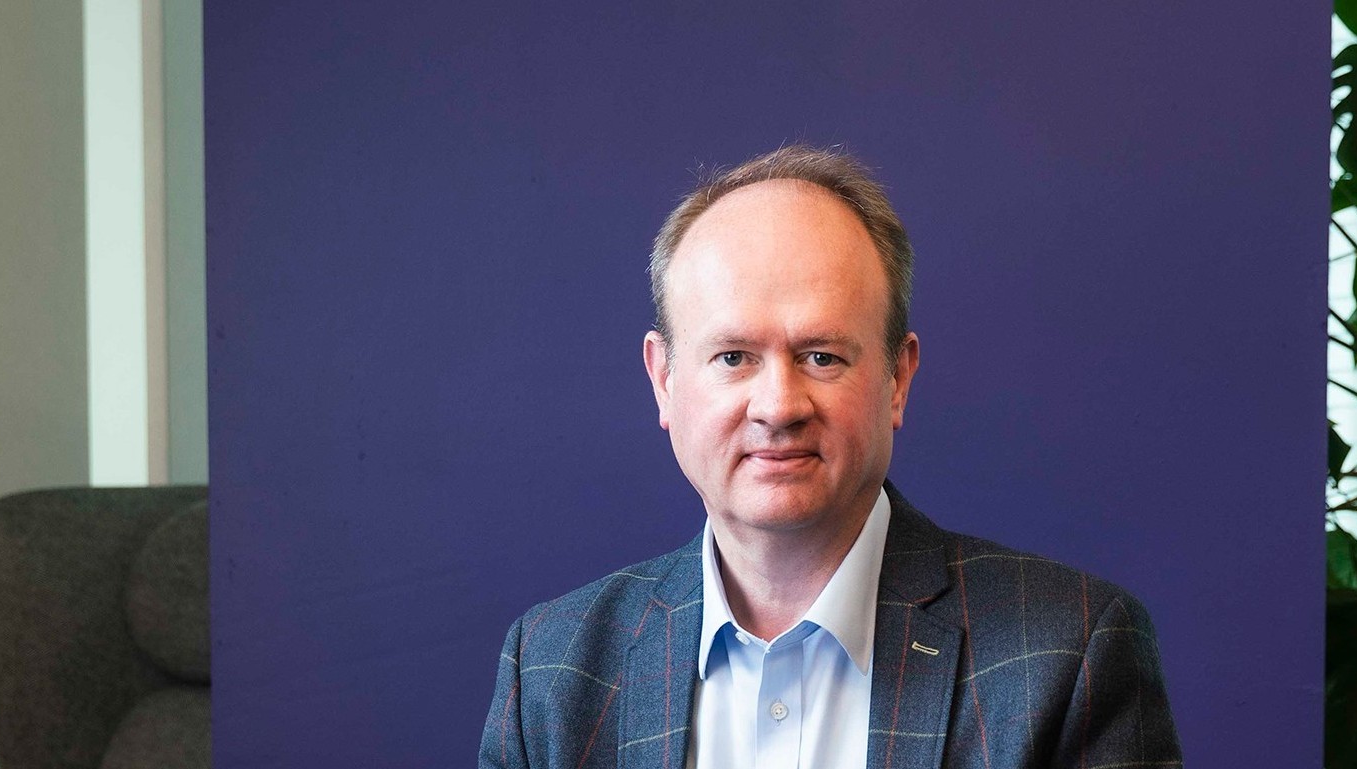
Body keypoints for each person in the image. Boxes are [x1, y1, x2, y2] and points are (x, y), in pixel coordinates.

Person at [479, 145, 1182, 768]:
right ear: (664, 380)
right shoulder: (550, 671)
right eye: (733, 357)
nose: (778, 406)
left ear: (897, 377)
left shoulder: (1068, 652)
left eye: (821, 356)